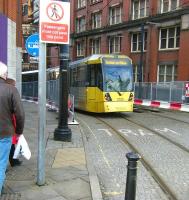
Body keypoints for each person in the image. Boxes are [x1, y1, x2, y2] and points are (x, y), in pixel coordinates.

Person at [0, 62, 25, 195]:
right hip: (4, 133)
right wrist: (19, 131)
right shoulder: (11, 89)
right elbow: (20, 114)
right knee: (1, 162)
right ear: (4, 74)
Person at [6, 78, 22, 167]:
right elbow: (19, 114)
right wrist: (19, 129)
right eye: (14, 85)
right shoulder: (10, 94)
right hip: (8, 126)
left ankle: (13, 161)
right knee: (9, 145)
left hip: (7, 125)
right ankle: (11, 162)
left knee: (10, 145)